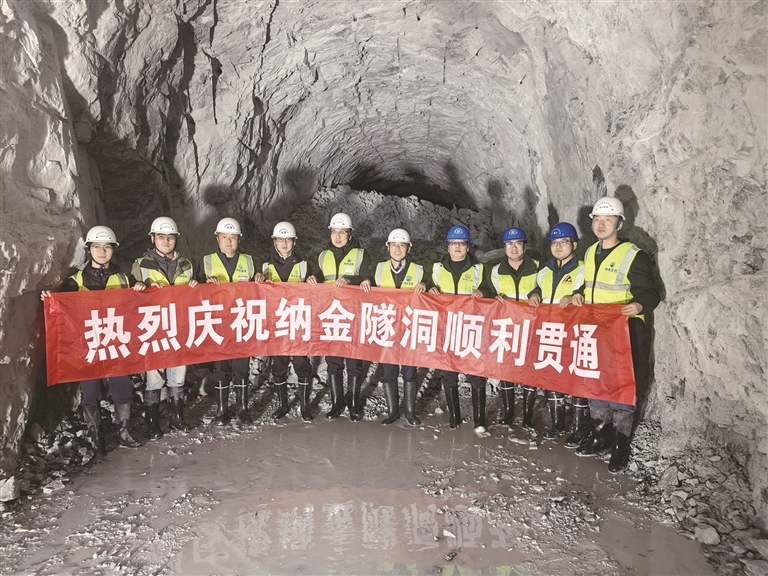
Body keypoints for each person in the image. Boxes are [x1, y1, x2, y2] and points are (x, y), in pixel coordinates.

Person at [571, 196, 660, 473]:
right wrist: (578, 294)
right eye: (597, 219)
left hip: (626, 330)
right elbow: (588, 285)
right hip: (596, 328)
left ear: (619, 224)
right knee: (596, 379)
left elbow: (650, 293)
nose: (601, 224)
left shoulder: (633, 255)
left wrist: (639, 305)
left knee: (622, 384)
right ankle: (601, 435)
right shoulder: (589, 252)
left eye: (607, 220)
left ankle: (621, 444)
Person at [41, 226, 144, 453]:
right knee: (90, 390)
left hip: (116, 342)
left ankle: (123, 432)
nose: (102, 251)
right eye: (97, 246)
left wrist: (141, 288)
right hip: (88, 345)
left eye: (107, 247)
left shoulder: (125, 278)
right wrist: (50, 299)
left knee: (122, 386)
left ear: (113, 249)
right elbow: (62, 307)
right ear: (89, 249)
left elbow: (139, 305)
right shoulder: (75, 281)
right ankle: (96, 436)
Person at [131, 216, 198, 439]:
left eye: (170, 237)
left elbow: (196, 296)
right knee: (154, 378)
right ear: (153, 238)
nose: (166, 241)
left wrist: (195, 286)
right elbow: (129, 298)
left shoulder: (186, 264)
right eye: (161, 236)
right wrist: (138, 287)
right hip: (154, 329)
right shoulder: (141, 265)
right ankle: (152, 423)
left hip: (179, 327)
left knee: (178, 376)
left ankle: (176, 418)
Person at [425, 224, 493, 432]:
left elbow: (490, 290)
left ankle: (479, 420)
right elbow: (427, 288)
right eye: (453, 243)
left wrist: (483, 292)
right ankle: (454, 417)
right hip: (447, 329)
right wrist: (429, 288)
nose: (457, 247)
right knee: (449, 374)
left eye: (461, 243)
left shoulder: (479, 269)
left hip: (471, 329)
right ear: (447, 246)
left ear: (468, 246)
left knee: (476, 375)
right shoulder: (437, 269)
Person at [199, 217, 264, 426]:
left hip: (241, 322)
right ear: (217, 238)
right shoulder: (206, 262)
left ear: (239, 239)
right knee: (221, 369)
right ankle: (222, 411)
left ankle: (242, 409)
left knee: (241, 367)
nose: (229, 241)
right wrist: (205, 284)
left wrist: (260, 279)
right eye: (225, 237)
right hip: (217, 323)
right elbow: (194, 292)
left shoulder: (250, 261)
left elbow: (260, 289)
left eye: (233, 237)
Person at [528, 222, 587, 443]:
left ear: (574, 244)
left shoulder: (583, 268)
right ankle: (557, 424)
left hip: (574, 333)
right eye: (554, 242)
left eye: (564, 242)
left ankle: (580, 429)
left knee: (577, 379)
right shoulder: (544, 270)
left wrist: (576, 296)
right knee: (552, 378)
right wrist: (534, 294)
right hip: (550, 332)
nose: (558, 247)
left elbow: (590, 291)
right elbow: (537, 288)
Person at [262, 221, 321, 422]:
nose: (284, 243)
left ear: (294, 242)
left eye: (288, 239)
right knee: (278, 364)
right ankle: (283, 404)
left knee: (301, 363)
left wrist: (313, 280)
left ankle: (304, 406)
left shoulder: (304, 265)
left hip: (297, 323)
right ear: (274, 242)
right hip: (277, 323)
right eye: (280, 239)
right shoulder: (265, 267)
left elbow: (316, 291)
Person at [317, 212, 373, 421]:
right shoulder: (322, 256)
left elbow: (369, 279)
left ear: (350, 234)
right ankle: (336, 402)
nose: (338, 236)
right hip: (331, 316)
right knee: (333, 362)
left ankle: (353, 403)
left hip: (353, 316)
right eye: (334, 232)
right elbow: (316, 279)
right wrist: (311, 277)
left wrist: (352, 280)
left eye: (342, 232)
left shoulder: (361, 254)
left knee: (353, 362)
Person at [371, 228, 426, 426]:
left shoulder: (419, 271)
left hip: (409, 328)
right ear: (388, 247)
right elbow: (365, 288)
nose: (397, 249)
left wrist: (425, 285)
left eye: (401, 245)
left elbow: (430, 290)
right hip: (387, 327)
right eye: (393, 245)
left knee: (409, 371)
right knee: (389, 371)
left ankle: (410, 413)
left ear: (408, 248)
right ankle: (392, 412)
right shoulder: (378, 269)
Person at [489, 227, 539, 432]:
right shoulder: (496, 271)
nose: (514, 247)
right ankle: (508, 411)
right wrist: (493, 297)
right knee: (507, 369)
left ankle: (527, 415)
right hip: (507, 327)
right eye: (509, 243)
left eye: (518, 243)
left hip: (530, 327)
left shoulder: (538, 268)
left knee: (529, 371)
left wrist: (536, 293)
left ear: (524, 245)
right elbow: (488, 293)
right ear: (504, 247)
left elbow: (545, 288)